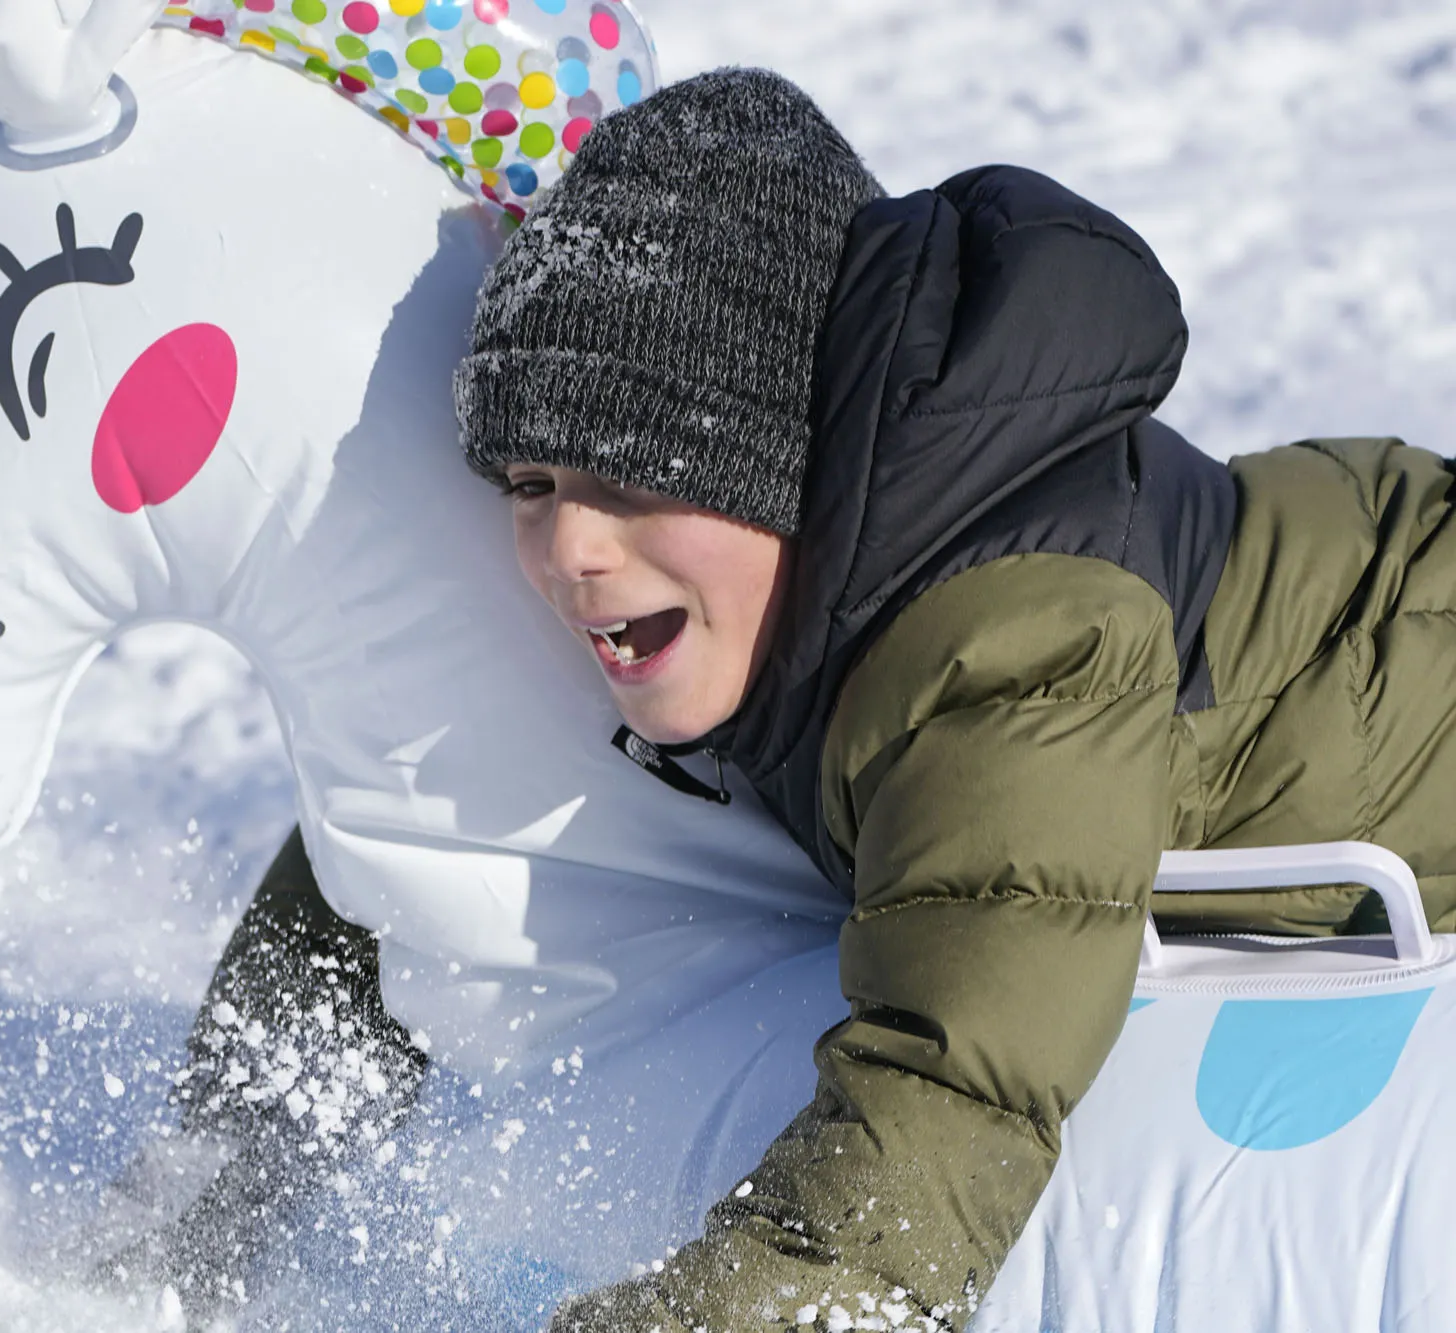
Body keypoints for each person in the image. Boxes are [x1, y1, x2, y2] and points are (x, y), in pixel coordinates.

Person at [445, 65, 1456, 1331]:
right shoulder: (783, 616)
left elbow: (948, 1099)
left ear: (784, 463)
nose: (569, 548)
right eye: (530, 485)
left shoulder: (1003, 645)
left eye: (634, 474)